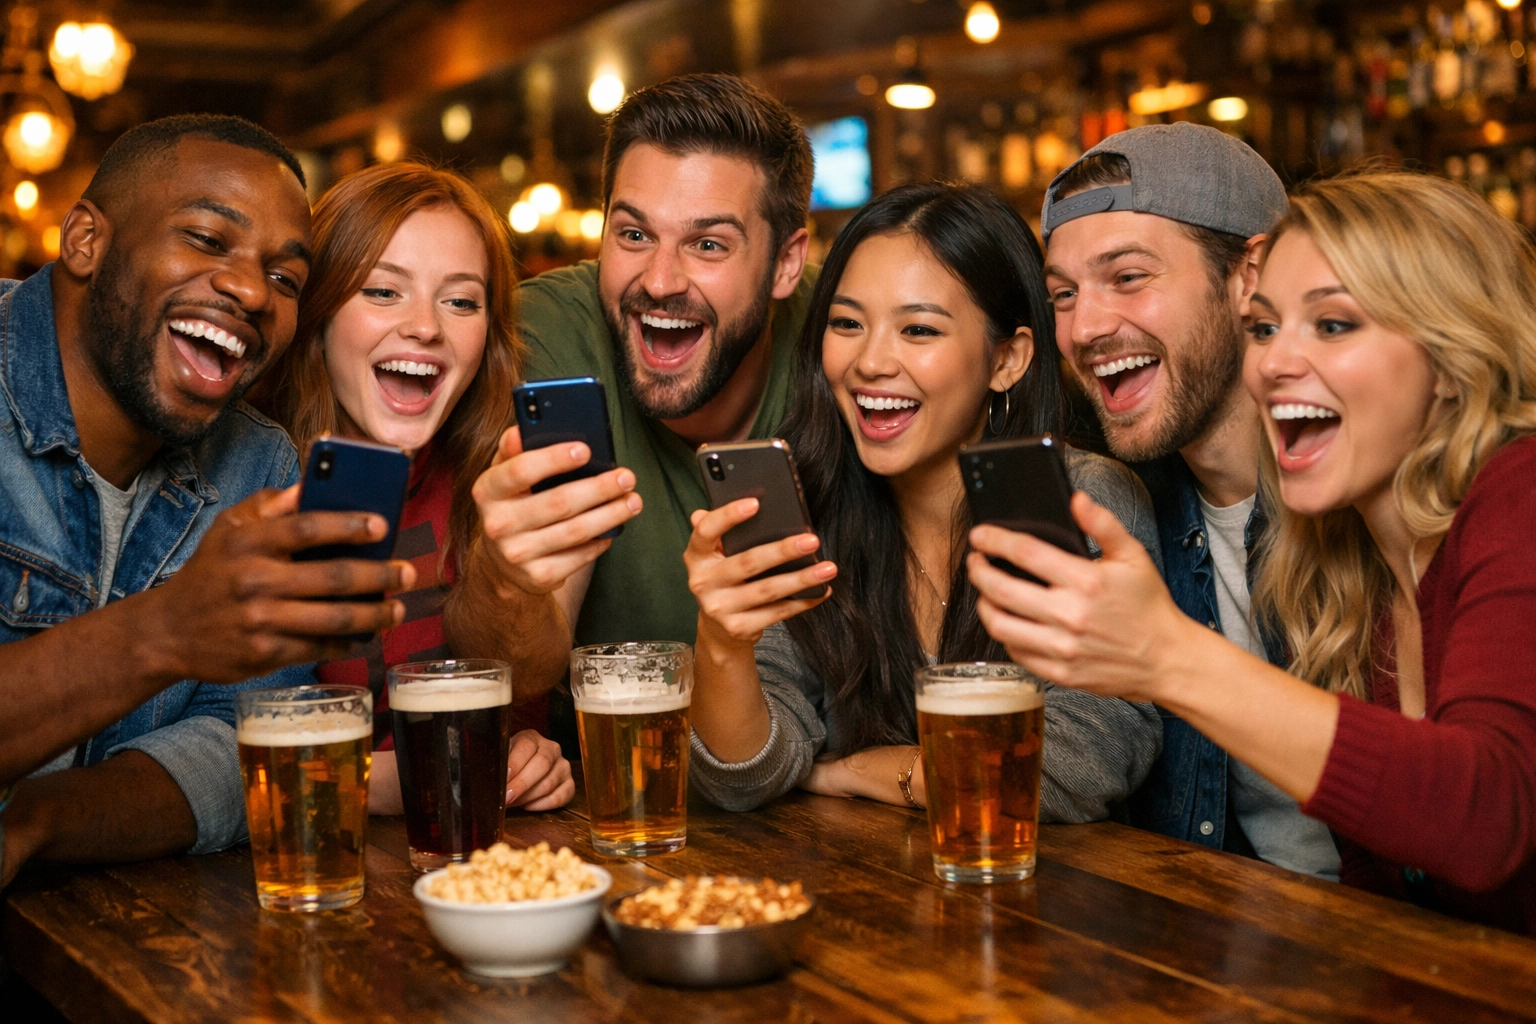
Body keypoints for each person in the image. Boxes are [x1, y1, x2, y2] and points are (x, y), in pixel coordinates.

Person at [971, 171, 1536, 934]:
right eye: (1266, 329)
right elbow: (1378, 875)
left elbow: (1487, 816)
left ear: (1453, 346)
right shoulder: (1348, 553)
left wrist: (1167, 654)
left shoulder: (1519, 489)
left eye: (1333, 326)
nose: (1269, 365)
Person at [0, 115, 415, 884]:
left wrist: (38, 818)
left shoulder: (258, 463)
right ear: (86, 241)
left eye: (286, 278)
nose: (253, 291)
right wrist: (164, 632)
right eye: (207, 240)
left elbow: (241, 741)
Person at [681, 182, 1162, 816]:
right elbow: (743, 777)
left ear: (1008, 359)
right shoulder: (812, 511)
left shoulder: (1082, 500)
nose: (872, 362)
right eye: (847, 323)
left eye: (918, 329)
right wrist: (722, 641)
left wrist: (868, 771)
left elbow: (1081, 763)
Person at [447, 73, 817, 755]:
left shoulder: (850, 335)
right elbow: (523, 671)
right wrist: (504, 577)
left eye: (709, 244)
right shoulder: (557, 332)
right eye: (634, 234)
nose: (659, 280)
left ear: (786, 263)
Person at [1030, 124, 1343, 880]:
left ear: (1250, 276)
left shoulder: (1369, 496)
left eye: (1128, 277)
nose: (1086, 328)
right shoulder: (1121, 510)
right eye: (1063, 295)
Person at [259, 162, 573, 815]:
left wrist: (529, 760)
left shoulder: (503, 476)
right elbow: (230, 753)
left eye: (460, 301)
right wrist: (416, 777)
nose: (426, 327)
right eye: (383, 292)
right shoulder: (248, 483)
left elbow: (525, 696)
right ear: (318, 315)